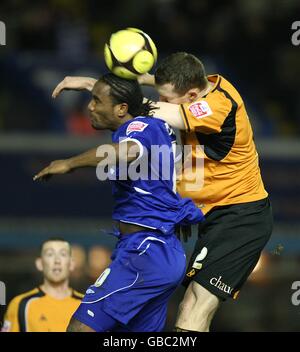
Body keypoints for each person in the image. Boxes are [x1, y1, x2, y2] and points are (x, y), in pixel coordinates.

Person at [51, 52, 273, 332]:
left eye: (168, 97)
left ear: (192, 95)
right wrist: (103, 87)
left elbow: (157, 110)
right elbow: (153, 87)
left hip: (240, 216)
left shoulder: (217, 106)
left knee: (195, 304)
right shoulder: (195, 84)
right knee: (185, 305)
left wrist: (101, 93)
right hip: (208, 215)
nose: (164, 100)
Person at [34, 73, 204, 332]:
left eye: (96, 100)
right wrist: (88, 83)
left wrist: (69, 163)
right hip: (161, 251)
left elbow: (127, 151)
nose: (90, 107)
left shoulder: (138, 128)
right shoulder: (153, 123)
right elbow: (127, 98)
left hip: (145, 252)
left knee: (80, 328)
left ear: (122, 109)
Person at [1, 238, 83, 332]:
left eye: (63, 254)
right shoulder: (21, 305)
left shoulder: (86, 305)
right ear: (39, 263)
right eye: (50, 254)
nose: (57, 260)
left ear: (72, 263)